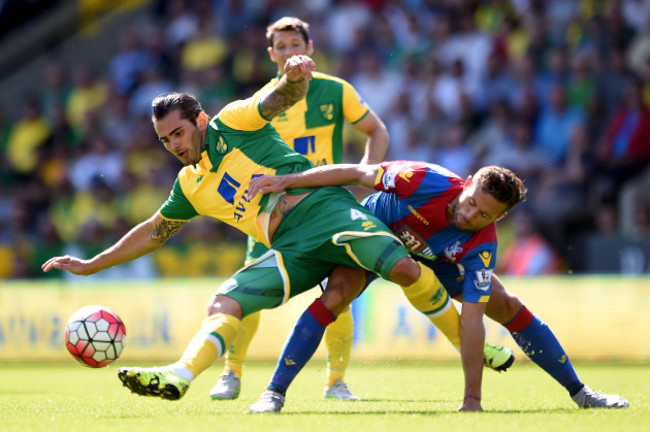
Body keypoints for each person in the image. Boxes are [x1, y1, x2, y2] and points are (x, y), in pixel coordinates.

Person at [40, 56, 462, 403]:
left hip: (324, 210)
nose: (174, 146)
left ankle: (473, 348)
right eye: (165, 140)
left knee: (404, 269)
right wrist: (94, 264)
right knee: (223, 302)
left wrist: (296, 78)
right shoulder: (189, 185)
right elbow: (155, 231)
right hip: (289, 247)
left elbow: (279, 98)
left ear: (200, 120)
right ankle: (181, 374)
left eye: (178, 133)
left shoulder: (234, 122)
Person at [245, 161, 630, 413]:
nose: (469, 215)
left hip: (435, 260)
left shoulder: (482, 246)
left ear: (500, 217)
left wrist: (472, 401)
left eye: (483, 215)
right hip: (377, 233)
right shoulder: (422, 179)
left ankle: (581, 393)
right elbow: (356, 173)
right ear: (466, 184)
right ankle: (274, 393)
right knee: (336, 297)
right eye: (470, 203)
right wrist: (287, 181)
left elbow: (474, 321)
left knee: (507, 304)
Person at [209, 16, 389, 402]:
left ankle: (335, 382)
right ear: (272, 54)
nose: (291, 52)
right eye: (283, 47)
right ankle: (231, 373)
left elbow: (378, 130)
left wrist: (365, 175)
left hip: (326, 209)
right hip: (271, 214)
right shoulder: (264, 101)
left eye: (297, 45)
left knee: (337, 292)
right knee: (247, 290)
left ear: (310, 48)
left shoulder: (337, 91)